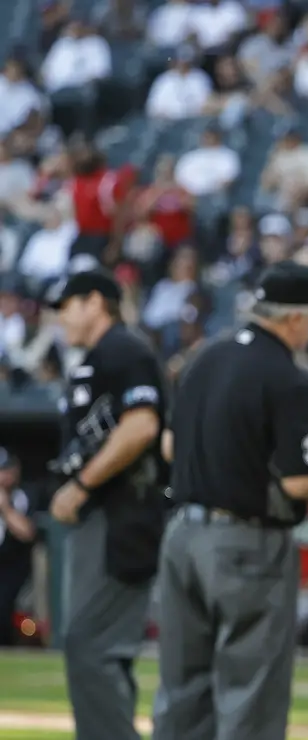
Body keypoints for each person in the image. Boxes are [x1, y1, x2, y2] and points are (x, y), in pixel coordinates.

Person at [150, 261, 308, 740]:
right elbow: (299, 483)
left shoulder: (203, 356)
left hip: (181, 537)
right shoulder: (287, 375)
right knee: (250, 694)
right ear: (296, 317)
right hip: (245, 542)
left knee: (180, 690)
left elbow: (169, 446)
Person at [43, 267, 168, 740]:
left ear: (95, 301)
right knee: (95, 647)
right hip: (107, 517)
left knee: (90, 645)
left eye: (67, 306)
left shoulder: (124, 350)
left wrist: (83, 485)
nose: (61, 319)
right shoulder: (98, 357)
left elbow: (142, 426)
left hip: (122, 518)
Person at [0, 448, 36, 646]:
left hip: (14, 568)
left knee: (4, 607)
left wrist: (5, 507)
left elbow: (27, 532)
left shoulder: (25, 495)